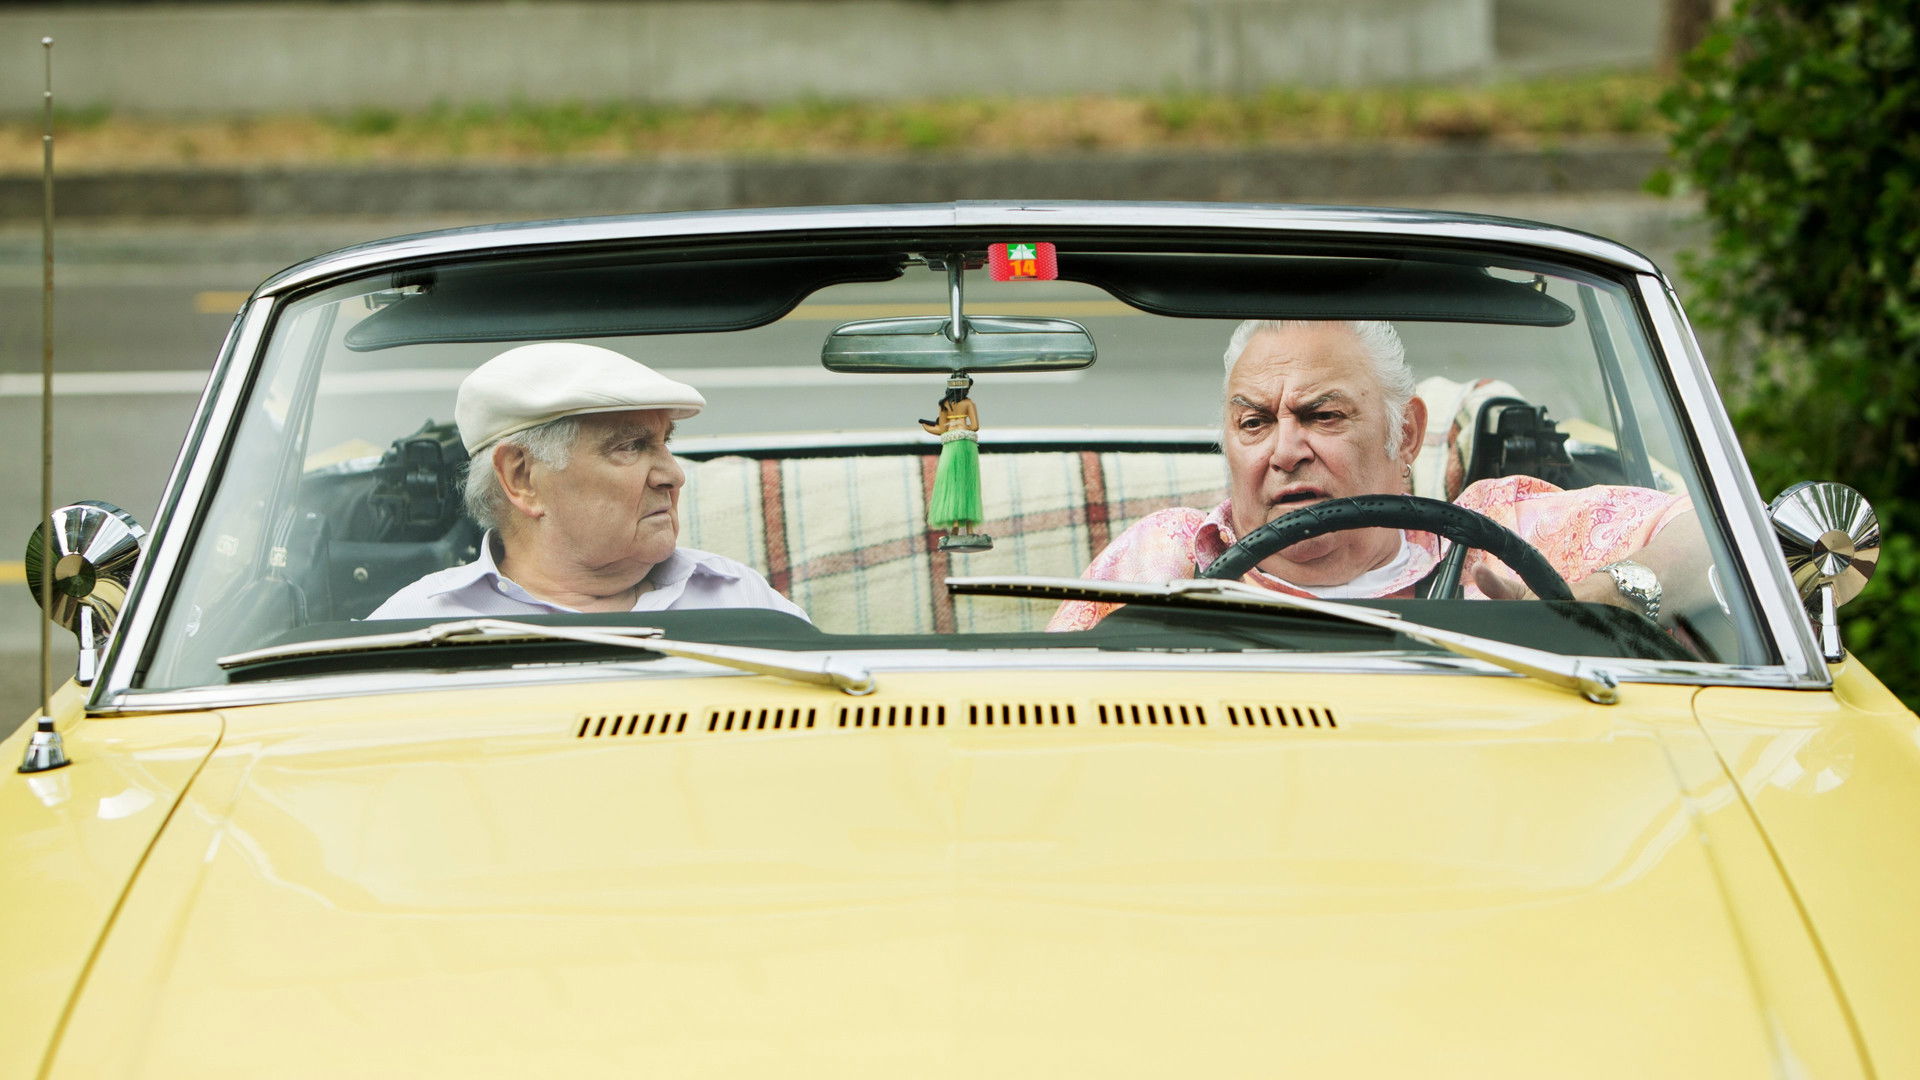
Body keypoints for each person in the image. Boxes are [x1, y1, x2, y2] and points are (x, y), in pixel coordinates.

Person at [1047, 319, 1708, 631]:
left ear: (1406, 434)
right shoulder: (1164, 556)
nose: (1284, 452)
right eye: (1254, 423)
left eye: (1323, 415)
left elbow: (1717, 536)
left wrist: (1604, 599)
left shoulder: (1502, 531)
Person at [370, 342, 808, 621]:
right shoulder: (419, 623)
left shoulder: (739, 596)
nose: (674, 476)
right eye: (631, 446)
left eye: (664, 443)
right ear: (522, 477)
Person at [920, 373, 991, 551]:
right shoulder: (968, 404)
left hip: (950, 443)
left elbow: (941, 429)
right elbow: (974, 426)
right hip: (965, 443)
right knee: (967, 486)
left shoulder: (944, 404)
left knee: (951, 484)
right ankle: (969, 530)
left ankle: (954, 530)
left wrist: (930, 426)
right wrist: (961, 425)